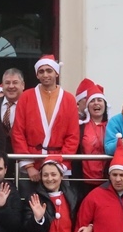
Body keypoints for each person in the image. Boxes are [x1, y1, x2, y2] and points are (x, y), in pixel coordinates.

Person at [12, 55, 80, 185]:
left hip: (59, 165)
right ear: (37, 75)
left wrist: (60, 165)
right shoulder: (26, 97)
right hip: (32, 165)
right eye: (41, 71)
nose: (45, 75)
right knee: (29, 203)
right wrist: (28, 165)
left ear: (56, 73)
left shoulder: (69, 99)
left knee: (60, 203)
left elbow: (73, 136)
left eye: (49, 71)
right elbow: (18, 132)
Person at [72, 84, 109, 198]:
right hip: (83, 180)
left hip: (107, 180)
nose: (96, 103)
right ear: (87, 106)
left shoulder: (112, 126)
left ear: (105, 105)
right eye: (92, 101)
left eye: (99, 100)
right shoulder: (80, 126)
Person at [0, 68, 25, 154]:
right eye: (7, 83)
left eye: (15, 82)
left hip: (22, 158)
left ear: (23, 85)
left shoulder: (30, 106)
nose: (11, 86)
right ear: (2, 86)